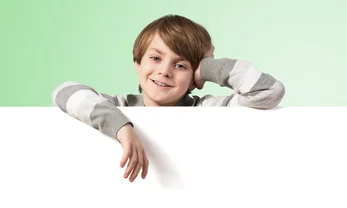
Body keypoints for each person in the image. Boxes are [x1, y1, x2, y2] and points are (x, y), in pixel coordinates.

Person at [51, 14, 285, 183]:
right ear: (137, 64)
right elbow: (64, 91)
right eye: (155, 58)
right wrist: (120, 126)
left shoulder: (208, 108)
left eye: (181, 64)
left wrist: (207, 68)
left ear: (194, 77)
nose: (164, 71)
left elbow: (268, 91)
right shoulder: (120, 106)